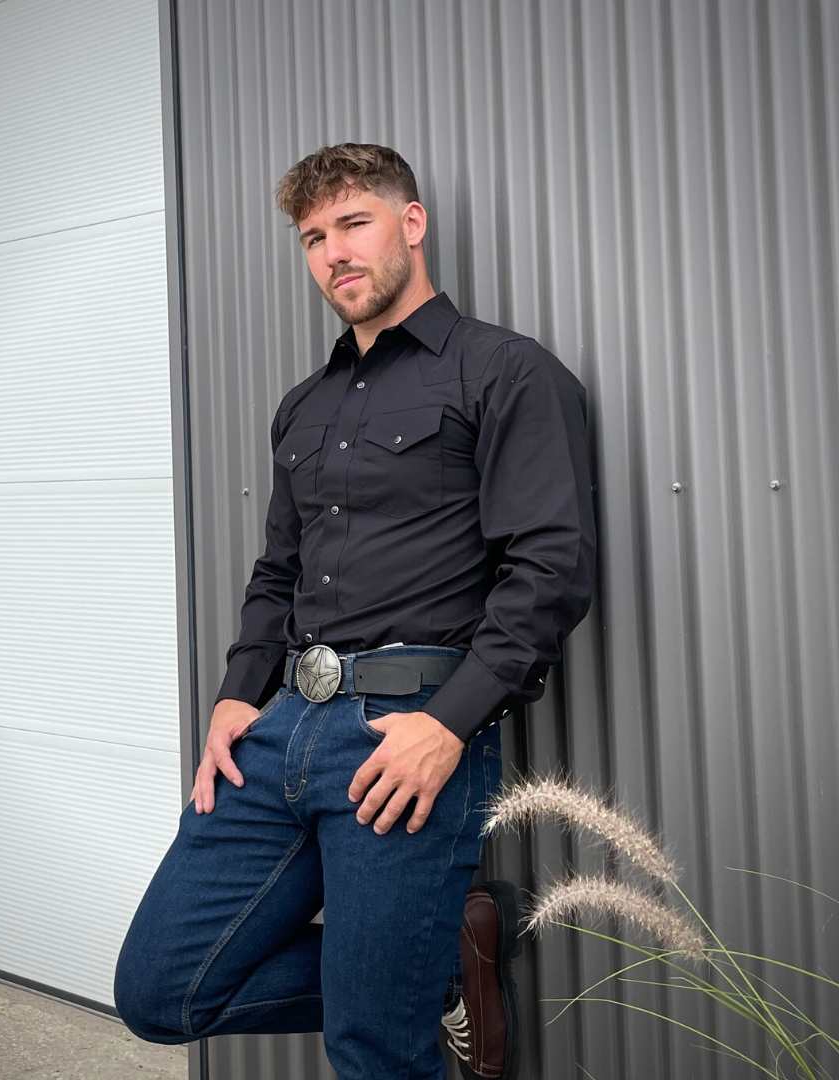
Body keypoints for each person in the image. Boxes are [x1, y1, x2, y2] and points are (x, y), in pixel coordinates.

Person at [114, 143, 595, 1080]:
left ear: (411, 224)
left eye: (353, 223)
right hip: (281, 730)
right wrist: (236, 695)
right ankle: (438, 964)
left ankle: (407, 975)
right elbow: (277, 571)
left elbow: (550, 569)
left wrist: (448, 725)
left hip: (404, 734)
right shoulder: (305, 406)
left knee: (374, 1051)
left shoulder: (505, 371)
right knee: (161, 994)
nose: (333, 252)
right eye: (312, 237)